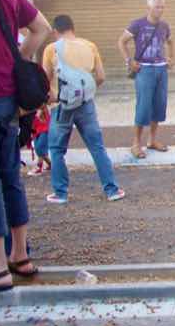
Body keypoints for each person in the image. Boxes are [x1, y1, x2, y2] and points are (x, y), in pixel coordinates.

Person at [0, 0, 50, 291]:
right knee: (10, 176)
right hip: (8, 98)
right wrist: (19, 58)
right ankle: (19, 255)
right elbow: (41, 27)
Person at [43, 15, 125, 204]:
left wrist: (46, 102)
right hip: (85, 104)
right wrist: (87, 92)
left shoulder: (51, 49)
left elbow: (44, 80)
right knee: (97, 147)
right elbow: (101, 76)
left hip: (61, 105)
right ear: (73, 28)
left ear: (56, 31)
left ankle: (60, 193)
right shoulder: (90, 46)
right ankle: (112, 190)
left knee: (56, 150)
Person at [118, 0, 173, 159]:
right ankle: (136, 143)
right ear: (149, 8)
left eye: (162, 6)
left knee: (159, 105)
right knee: (143, 106)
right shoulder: (138, 24)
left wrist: (171, 58)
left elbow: (170, 42)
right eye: (157, 6)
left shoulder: (164, 26)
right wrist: (129, 61)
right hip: (145, 70)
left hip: (161, 69)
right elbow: (121, 41)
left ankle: (152, 140)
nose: (160, 10)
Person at [27, 105, 51, 177]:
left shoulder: (43, 106)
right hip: (35, 130)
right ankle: (51, 165)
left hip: (44, 128)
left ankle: (39, 167)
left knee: (40, 148)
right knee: (39, 150)